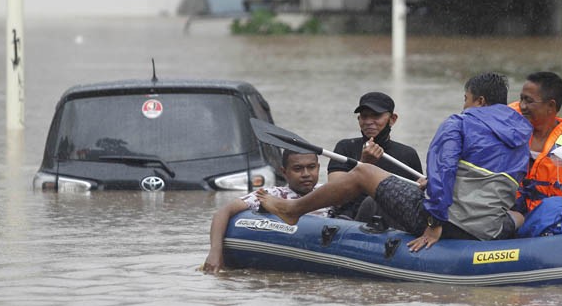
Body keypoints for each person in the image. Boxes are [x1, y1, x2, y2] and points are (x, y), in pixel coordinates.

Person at [258, 72, 532, 251]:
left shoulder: (459, 124)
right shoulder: (523, 133)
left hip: (452, 224)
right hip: (491, 229)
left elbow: (445, 169)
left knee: (364, 172)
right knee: (519, 215)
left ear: (480, 101)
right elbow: (493, 183)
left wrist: (434, 226)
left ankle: (292, 210)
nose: (464, 106)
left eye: (466, 99)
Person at [202, 150, 329, 274]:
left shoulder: (327, 193)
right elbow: (223, 212)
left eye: (311, 167)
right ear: (284, 172)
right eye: (298, 169)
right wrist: (215, 252)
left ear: (318, 168)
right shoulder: (271, 195)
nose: (306, 174)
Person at [327, 91, 423, 223]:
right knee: (370, 203)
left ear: (392, 119)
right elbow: (334, 194)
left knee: (375, 201)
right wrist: (364, 164)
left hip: (391, 223)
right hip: (349, 220)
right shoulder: (345, 147)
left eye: (376, 116)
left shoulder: (407, 154)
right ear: (359, 119)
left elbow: (416, 200)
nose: (368, 122)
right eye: (364, 116)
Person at [509, 72, 562, 214]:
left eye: (528, 101)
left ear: (550, 105)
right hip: (508, 215)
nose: (522, 106)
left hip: (549, 219)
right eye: (521, 99)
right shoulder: (506, 127)